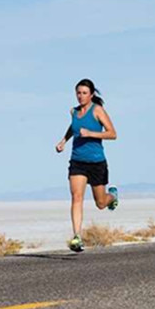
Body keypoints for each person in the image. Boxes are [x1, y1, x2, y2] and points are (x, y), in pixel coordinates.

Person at [55, 79, 118, 252]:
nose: (81, 96)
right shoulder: (73, 112)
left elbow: (113, 134)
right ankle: (77, 237)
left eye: (84, 93)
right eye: (78, 93)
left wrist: (90, 133)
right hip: (77, 161)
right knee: (77, 197)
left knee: (100, 203)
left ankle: (112, 196)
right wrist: (63, 141)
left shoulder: (98, 110)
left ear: (91, 95)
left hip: (97, 163)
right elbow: (73, 127)